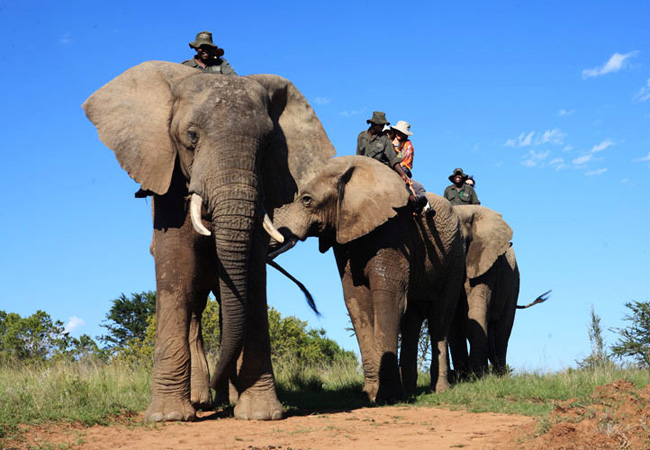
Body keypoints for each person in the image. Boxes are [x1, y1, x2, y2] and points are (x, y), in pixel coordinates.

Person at [357, 112, 429, 215]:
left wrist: (402, 174)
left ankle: (413, 200)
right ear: (374, 124)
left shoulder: (385, 139)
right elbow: (358, 155)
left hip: (380, 169)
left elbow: (393, 159)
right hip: (364, 169)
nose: (383, 127)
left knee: (397, 180)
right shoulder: (361, 136)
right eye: (381, 125)